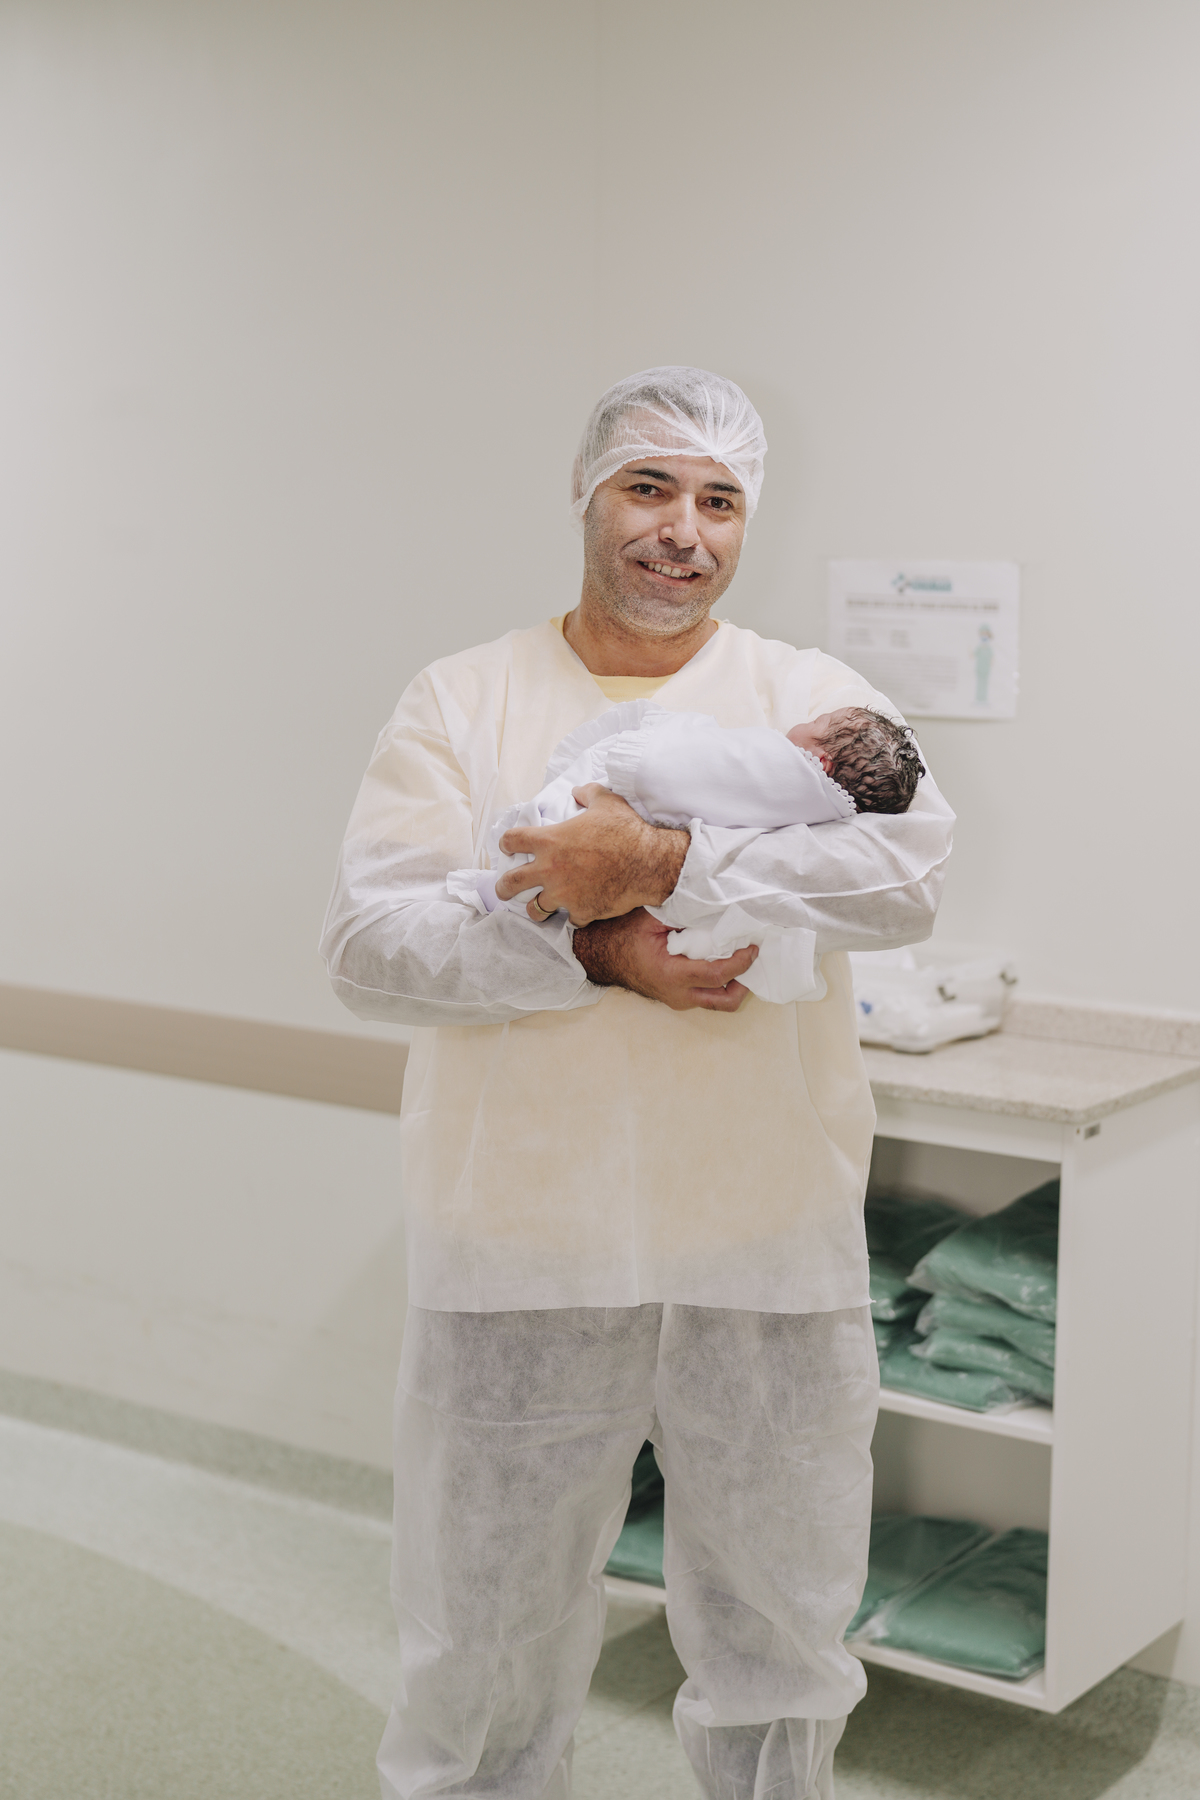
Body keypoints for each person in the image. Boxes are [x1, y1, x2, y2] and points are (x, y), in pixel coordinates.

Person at [321, 366, 955, 1800]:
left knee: (783, 1631)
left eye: (720, 500)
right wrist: (599, 949)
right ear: (584, 495)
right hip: (520, 1243)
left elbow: (906, 879)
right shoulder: (465, 698)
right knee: (483, 1632)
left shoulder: (812, 700)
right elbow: (368, 947)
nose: (684, 530)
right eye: (650, 488)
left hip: (760, 1240)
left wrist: (666, 861)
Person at [449, 698, 926, 1004]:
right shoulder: (827, 813)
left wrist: (645, 854)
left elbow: (910, 891)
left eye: (816, 722)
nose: (799, 723)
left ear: (819, 761)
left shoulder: (787, 764)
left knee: (542, 848)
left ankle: (506, 886)